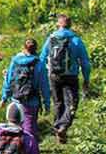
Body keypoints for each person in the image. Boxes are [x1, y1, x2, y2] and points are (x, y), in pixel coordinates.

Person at [39, 13, 92, 143]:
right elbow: (85, 62)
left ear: (58, 24)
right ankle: (63, 126)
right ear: (70, 24)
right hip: (71, 75)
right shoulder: (76, 40)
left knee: (58, 102)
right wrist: (86, 79)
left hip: (54, 75)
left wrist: (43, 78)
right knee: (72, 102)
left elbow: (42, 58)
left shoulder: (51, 39)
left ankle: (58, 128)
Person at [1, 37, 50, 137]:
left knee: (15, 128)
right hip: (32, 101)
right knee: (30, 128)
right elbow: (44, 86)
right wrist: (47, 103)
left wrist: (4, 98)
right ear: (36, 49)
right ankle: (30, 149)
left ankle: (15, 148)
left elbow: (8, 80)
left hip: (16, 100)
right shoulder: (39, 64)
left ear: (23, 48)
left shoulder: (15, 61)